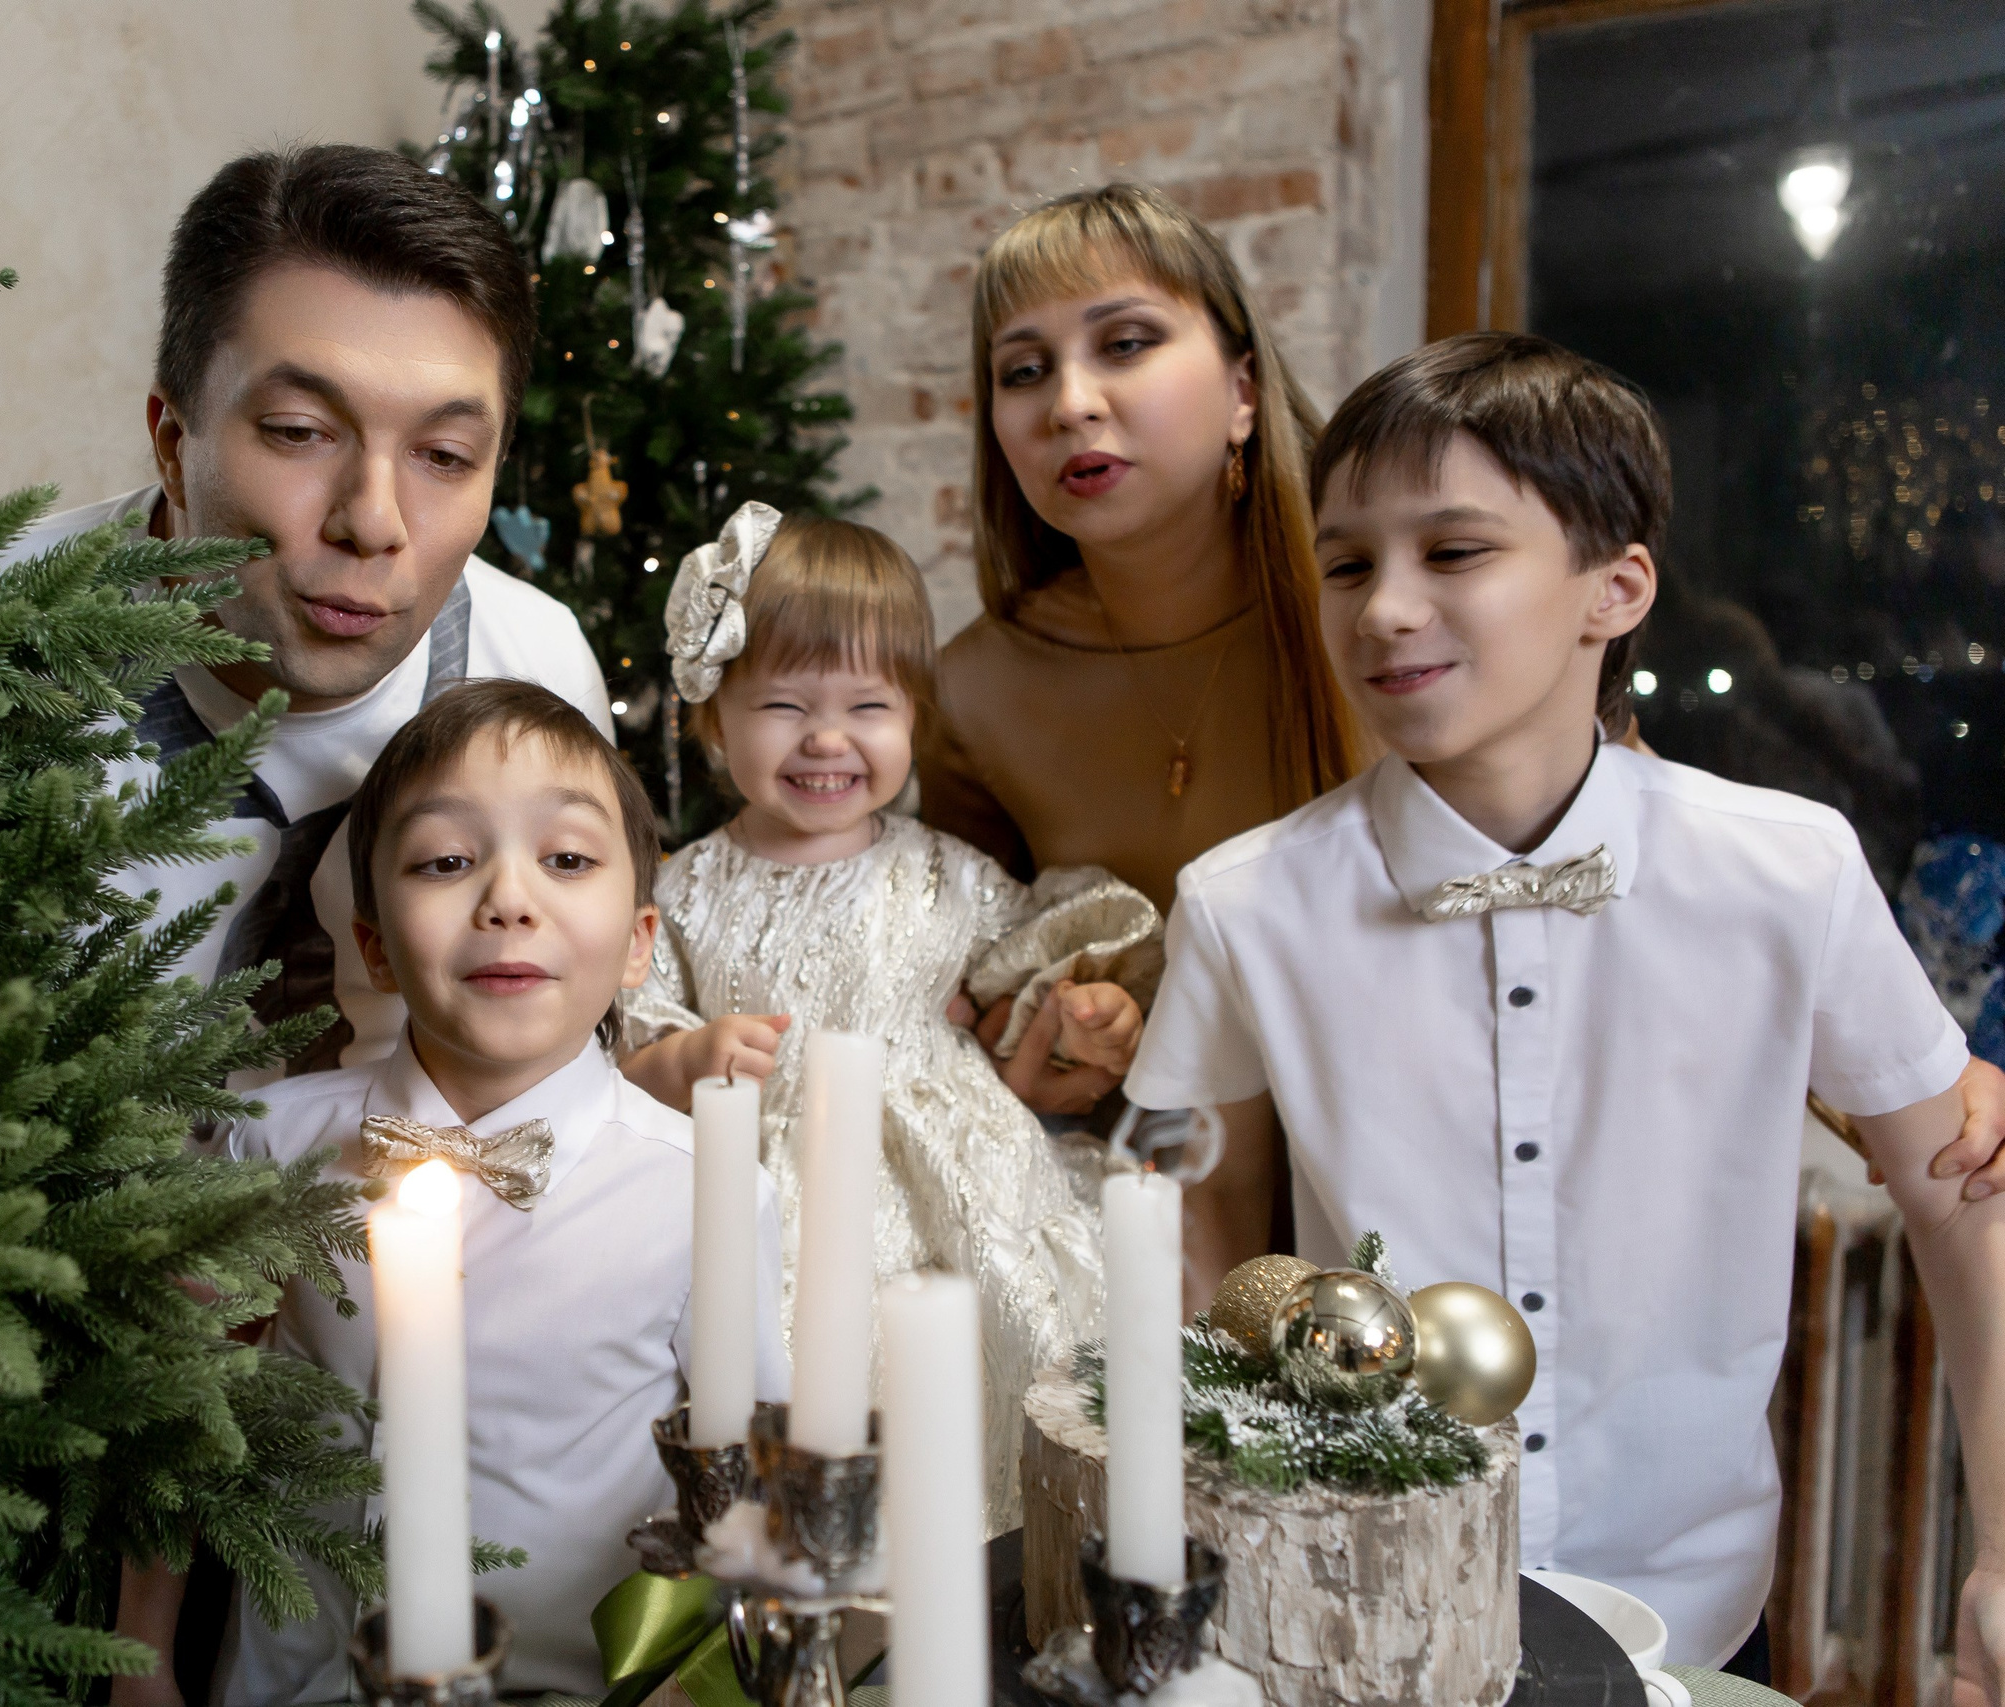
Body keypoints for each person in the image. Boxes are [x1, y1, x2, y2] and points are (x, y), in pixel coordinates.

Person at [1122, 332, 2005, 1691]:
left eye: (1454, 552)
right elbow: (1201, 1243)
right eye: (1350, 562)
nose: (1384, 608)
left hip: (1694, 1612)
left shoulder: (1790, 868)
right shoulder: (1244, 905)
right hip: (1359, 1608)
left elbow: (1964, 1199)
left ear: (1616, 585)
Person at [117, 680, 789, 1702]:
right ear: (378, 947)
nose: (509, 899)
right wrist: (143, 1661)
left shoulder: (703, 1194)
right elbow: (176, 1412)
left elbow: (757, 1488)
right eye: (445, 861)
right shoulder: (274, 1141)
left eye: (565, 859)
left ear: (640, 941)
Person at [10, 145, 612, 1080]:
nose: (372, 521)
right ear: (174, 443)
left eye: (445, 455)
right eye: (300, 433)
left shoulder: (533, 668)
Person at [617, 506, 1159, 1530]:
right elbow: (627, 1029)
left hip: (947, 1203)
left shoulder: (952, 879)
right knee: (764, 1421)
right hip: (758, 1209)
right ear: (711, 717)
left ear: (914, 714)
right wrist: (683, 1058)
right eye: (782, 704)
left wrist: (1072, 1012)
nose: (827, 739)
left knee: (978, 1397)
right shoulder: (681, 892)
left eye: (868, 705)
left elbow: (1019, 1019)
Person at [915, 181, 1362, 1128]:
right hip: (1148, 1201)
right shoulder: (973, 689)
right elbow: (973, 998)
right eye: (1024, 370)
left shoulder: (1380, 617)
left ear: (1244, 391)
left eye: (1125, 343)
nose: (1071, 404)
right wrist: (1026, 1059)